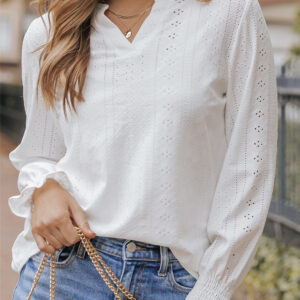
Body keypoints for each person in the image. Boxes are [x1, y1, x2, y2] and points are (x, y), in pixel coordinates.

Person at [9, 0, 278, 299]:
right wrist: (44, 188)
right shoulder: (49, 33)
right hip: (67, 269)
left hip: (176, 281)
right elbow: (39, 153)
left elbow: (250, 166)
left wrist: (214, 288)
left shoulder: (231, 14)